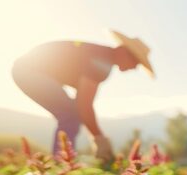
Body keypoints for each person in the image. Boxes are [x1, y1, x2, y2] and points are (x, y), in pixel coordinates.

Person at [12, 31, 154, 161]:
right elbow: (84, 105)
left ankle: (61, 162)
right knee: (71, 115)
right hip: (28, 70)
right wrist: (99, 139)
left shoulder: (101, 54)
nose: (135, 68)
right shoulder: (103, 61)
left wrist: (95, 134)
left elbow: (81, 103)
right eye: (136, 62)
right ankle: (62, 165)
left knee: (71, 114)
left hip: (27, 69)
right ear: (124, 51)